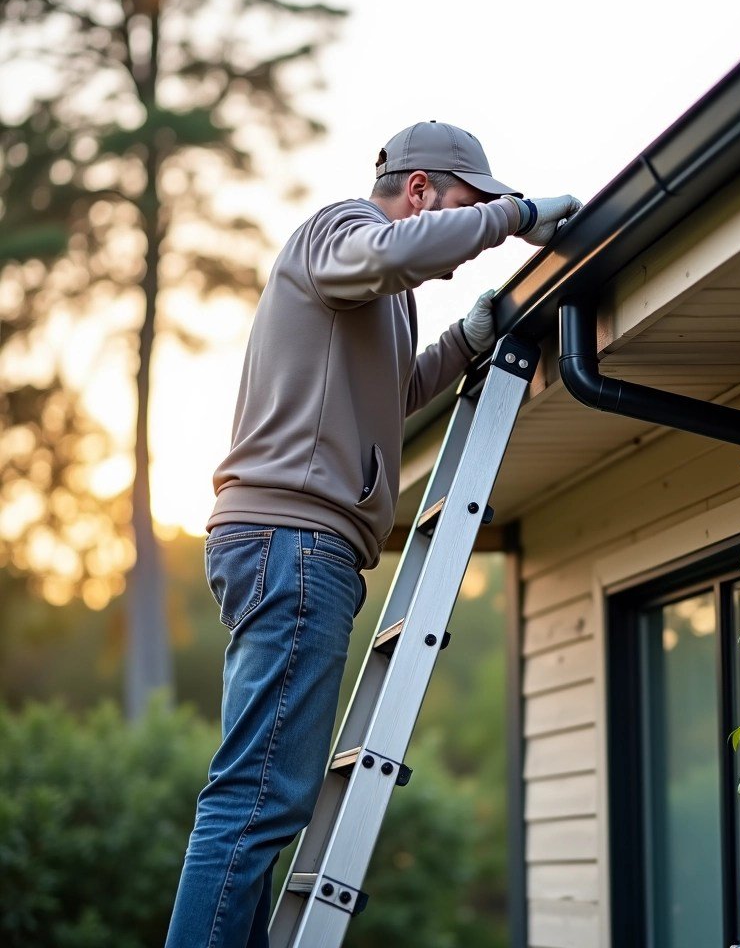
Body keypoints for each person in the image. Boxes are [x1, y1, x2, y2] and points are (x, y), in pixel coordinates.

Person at [165, 121, 582, 948]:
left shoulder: (379, 292)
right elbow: (403, 251)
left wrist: (465, 338)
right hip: (294, 543)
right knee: (257, 798)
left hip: (295, 546)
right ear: (420, 191)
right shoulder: (339, 233)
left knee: (260, 802)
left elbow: (390, 400)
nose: (467, 238)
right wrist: (524, 215)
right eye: (467, 207)